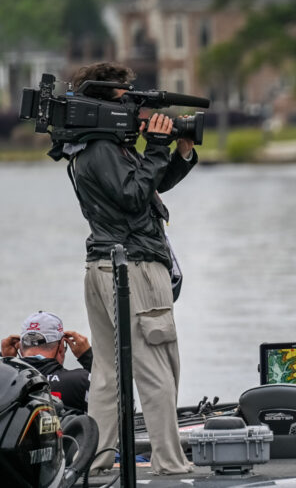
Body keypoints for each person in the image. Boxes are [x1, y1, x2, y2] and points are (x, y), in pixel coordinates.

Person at [59, 62, 195, 475]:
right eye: (126, 96)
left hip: (104, 266)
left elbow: (145, 187)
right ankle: (170, 464)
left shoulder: (91, 145)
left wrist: (180, 153)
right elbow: (134, 196)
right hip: (132, 268)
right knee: (158, 366)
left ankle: (96, 462)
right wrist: (155, 145)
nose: (133, 105)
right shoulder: (103, 148)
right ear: (104, 101)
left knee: (107, 371)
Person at [1, 312, 92, 412]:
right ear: (61, 346)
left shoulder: (4, 383)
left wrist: (8, 362)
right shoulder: (79, 381)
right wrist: (87, 356)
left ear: (21, 348)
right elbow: (108, 388)